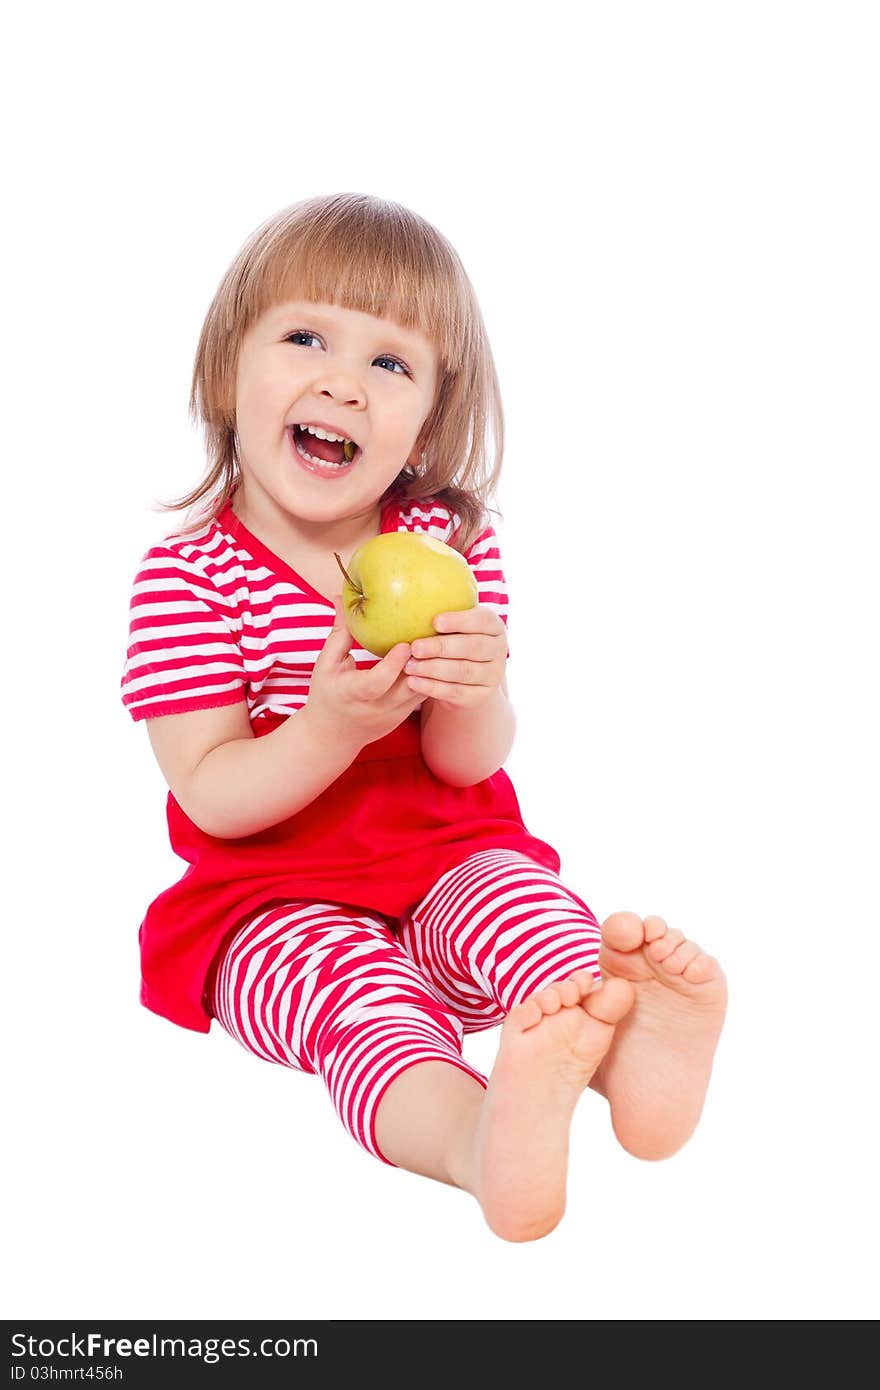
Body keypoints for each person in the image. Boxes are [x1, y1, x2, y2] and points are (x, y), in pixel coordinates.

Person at [120, 192, 727, 1243]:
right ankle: (478, 1139)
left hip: (444, 858)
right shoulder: (189, 579)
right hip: (271, 899)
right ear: (227, 373)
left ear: (428, 425)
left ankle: (628, 1052)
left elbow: (468, 763)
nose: (342, 382)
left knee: (518, 898)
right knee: (358, 1002)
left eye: (390, 364)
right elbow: (212, 793)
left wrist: (476, 688)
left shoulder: (440, 548)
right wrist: (324, 728)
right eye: (305, 336)